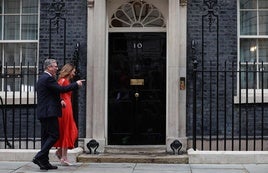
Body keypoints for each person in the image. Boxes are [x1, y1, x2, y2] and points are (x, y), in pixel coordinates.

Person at [32, 59, 84, 170]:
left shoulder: (43, 78)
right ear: (48, 67)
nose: (57, 68)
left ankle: (44, 162)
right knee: (54, 135)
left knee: (46, 138)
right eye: (55, 66)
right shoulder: (48, 78)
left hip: (44, 112)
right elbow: (61, 89)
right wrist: (76, 84)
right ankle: (39, 156)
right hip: (49, 113)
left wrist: (59, 100)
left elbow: (52, 93)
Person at [53, 63, 81, 166]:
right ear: (69, 71)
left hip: (68, 106)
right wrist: (60, 100)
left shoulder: (67, 81)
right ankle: (64, 157)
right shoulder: (63, 80)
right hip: (64, 107)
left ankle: (60, 152)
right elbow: (56, 92)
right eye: (73, 71)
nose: (74, 73)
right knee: (66, 130)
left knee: (71, 130)